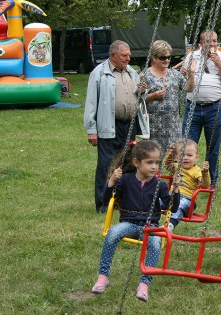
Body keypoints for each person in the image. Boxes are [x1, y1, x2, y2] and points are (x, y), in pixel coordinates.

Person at [91, 140, 180, 302]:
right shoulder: (125, 180)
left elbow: (171, 208)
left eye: (157, 163)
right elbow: (106, 199)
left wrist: (176, 191)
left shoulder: (160, 185)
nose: (154, 167)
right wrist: (111, 182)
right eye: (150, 162)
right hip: (129, 224)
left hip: (150, 226)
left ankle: (144, 284)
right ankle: (103, 277)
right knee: (112, 233)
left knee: (154, 243)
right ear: (136, 163)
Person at [84, 40, 147, 213]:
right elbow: (91, 102)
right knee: (106, 165)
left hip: (130, 125)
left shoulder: (132, 72)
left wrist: (143, 91)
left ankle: (124, 201)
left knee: (128, 164)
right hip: (109, 126)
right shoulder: (99, 73)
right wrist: (91, 130)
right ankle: (103, 203)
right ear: (113, 55)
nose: (128, 58)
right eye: (124, 55)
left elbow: (139, 98)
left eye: (129, 55)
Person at [181, 29, 221, 186]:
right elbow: (184, 83)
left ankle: (211, 180)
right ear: (201, 43)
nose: (212, 44)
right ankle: (187, 179)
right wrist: (186, 73)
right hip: (193, 107)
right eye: (208, 41)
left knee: (213, 146)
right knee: (188, 144)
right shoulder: (192, 57)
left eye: (215, 41)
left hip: (214, 108)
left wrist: (219, 64)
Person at [142, 40, 195, 151]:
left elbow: (189, 88)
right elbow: (138, 100)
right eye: (163, 58)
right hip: (154, 126)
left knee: (173, 157)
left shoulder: (174, 74)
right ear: (154, 58)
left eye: (169, 57)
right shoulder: (145, 75)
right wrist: (153, 96)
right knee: (154, 156)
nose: (167, 60)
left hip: (173, 126)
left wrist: (191, 75)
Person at [164, 139, 211, 230]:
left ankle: (170, 225)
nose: (185, 158)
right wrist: (170, 153)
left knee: (179, 206)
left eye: (189, 155)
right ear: (177, 157)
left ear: (196, 157)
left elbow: (205, 185)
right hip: (172, 196)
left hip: (188, 200)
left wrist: (205, 173)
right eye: (182, 155)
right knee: (156, 200)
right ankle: (148, 220)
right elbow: (166, 165)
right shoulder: (176, 166)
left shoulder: (197, 171)